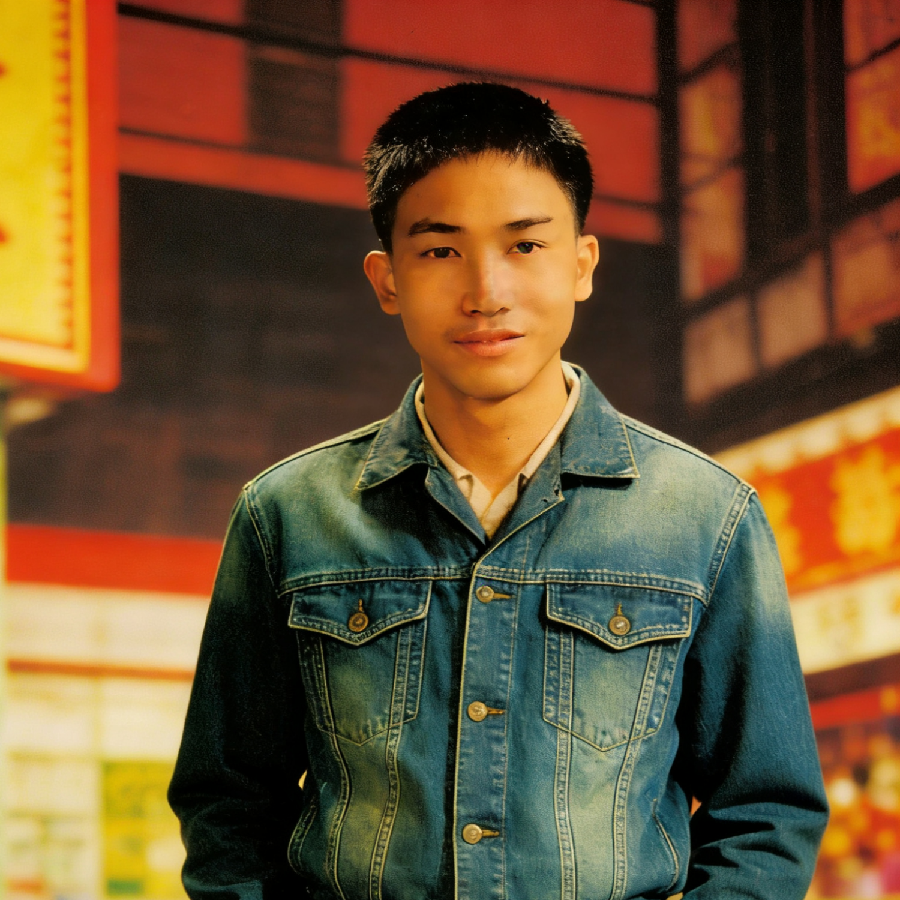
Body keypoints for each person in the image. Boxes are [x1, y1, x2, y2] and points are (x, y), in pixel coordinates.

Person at [169, 82, 828, 900]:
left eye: (525, 245)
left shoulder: (706, 516)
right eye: (440, 251)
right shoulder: (288, 516)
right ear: (386, 279)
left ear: (582, 264)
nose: (487, 291)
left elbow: (765, 815)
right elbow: (228, 806)